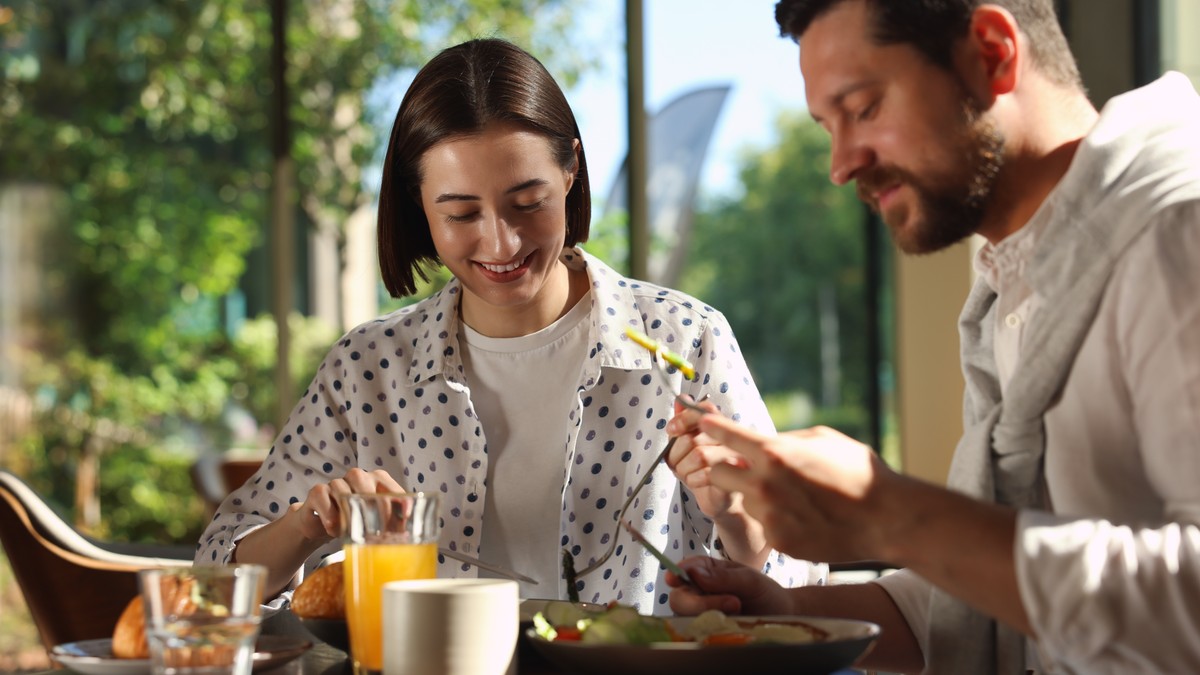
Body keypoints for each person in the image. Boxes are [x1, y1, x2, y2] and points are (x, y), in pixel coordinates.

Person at [195, 37, 822, 615]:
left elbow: (802, 586)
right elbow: (214, 578)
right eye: (462, 213)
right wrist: (308, 522)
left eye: (528, 204)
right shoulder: (370, 367)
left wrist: (740, 520)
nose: (501, 242)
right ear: (420, 203)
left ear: (571, 170)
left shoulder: (683, 339)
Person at [664, 0, 1200, 672]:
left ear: (993, 54)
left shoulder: (1180, 232)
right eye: (828, 126)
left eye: (863, 108)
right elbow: (986, 605)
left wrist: (895, 515)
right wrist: (778, 613)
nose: (839, 164)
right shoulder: (1010, 288)